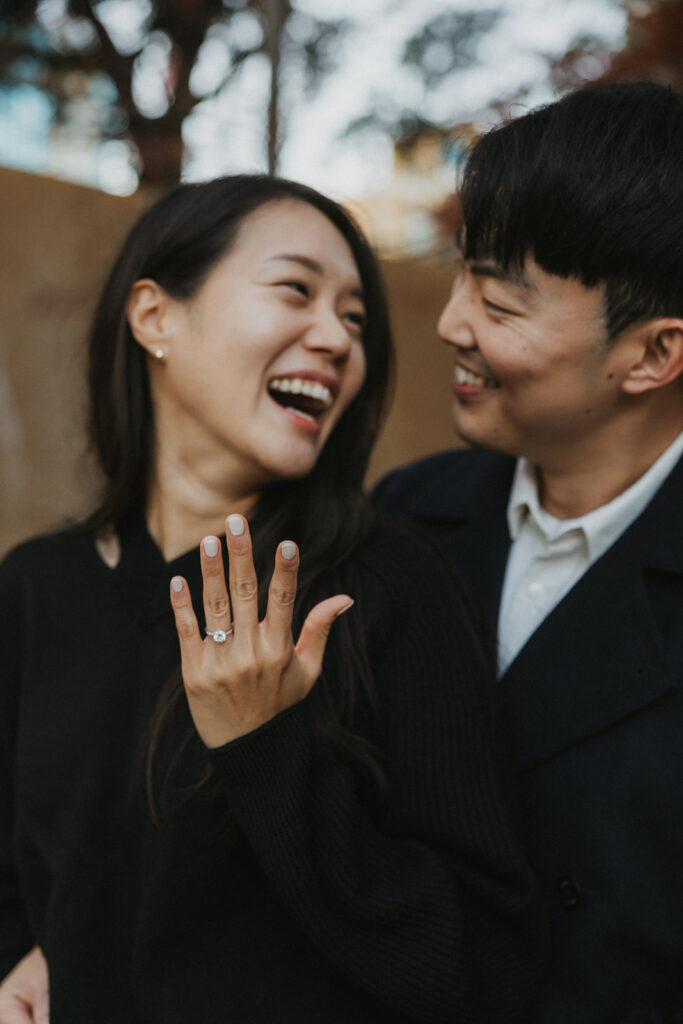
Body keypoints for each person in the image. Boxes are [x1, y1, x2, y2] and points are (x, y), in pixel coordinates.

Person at [0, 175, 544, 1023]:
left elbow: (480, 962)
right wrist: (22, 956)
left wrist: (267, 748)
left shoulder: (389, 584)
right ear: (154, 317)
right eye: (295, 289)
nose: (335, 338)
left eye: (356, 319)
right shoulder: (36, 587)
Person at [374, 81, 683, 1023]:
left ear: (650, 355)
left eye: (501, 303)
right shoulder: (404, 516)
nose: (450, 324)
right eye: (460, 272)